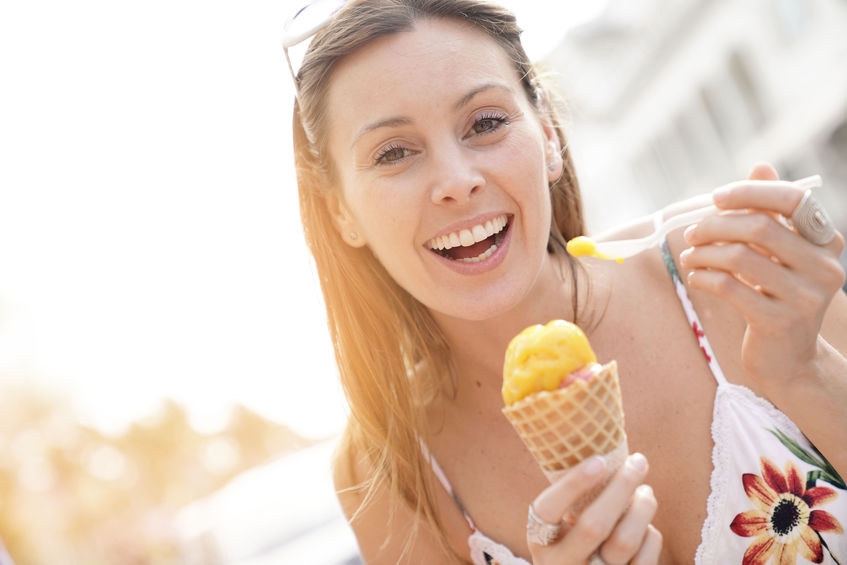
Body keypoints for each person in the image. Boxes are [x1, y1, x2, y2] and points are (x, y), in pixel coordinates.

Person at [284, 0, 847, 563]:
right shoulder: (386, 473)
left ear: (548, 134)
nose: (456, 182)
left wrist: (808, 372)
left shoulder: (725, 270)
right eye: (394, 153)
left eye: (485, 122)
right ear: (341, 214)